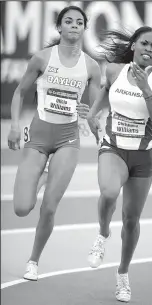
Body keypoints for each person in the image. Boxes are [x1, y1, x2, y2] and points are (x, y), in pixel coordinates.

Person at [7, 5, 101, 281]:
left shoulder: (91, 67)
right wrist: (14, 125)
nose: (74, 25)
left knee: (49, 206)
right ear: (59, 27)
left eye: (79, 22)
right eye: (68, 21)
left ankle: (33, 261)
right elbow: (19, 92)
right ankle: (44, 174)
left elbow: (94, 110)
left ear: (84, 28)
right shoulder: (42, 58)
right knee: (22, 208)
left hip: (68, 139)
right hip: (37, 136)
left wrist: (96, 130)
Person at [87, 26, 152, 302]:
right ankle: (102, 234)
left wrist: (146, 90)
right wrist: (92, 115)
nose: (149, 49)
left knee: (131, 219)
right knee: (109, 192)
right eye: (145, 43)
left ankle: (123, 274)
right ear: (134, 44)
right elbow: (102, 96)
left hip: (143, 157)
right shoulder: (113, 70)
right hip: (113, 147)